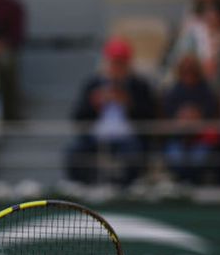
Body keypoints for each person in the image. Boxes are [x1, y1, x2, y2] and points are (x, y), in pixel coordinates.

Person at [66, 37, 158, 185]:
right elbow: (77, 117)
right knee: (74, 152)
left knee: (135, 153)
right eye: (113, 62)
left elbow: (150, 117)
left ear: (128, 64)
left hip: (128, 137)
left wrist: (129, 104)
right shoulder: (93, 84)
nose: (116, 67)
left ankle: (126, 188)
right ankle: (83, 186)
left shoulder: (139, 86)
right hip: (96, 136)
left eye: (121, 63)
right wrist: (94, 104)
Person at [161, 53, 220, 182]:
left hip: (201, 139)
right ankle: (182, 183)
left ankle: (195, 183)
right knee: (175, 155)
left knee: (199, 157)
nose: (188, 73)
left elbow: (211, 114)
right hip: (178, 138)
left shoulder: (206, 91)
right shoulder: (173, 92)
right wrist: (180, 117)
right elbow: (168, 116)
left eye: (192, 70)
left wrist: (198, 116)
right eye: (185, 70)